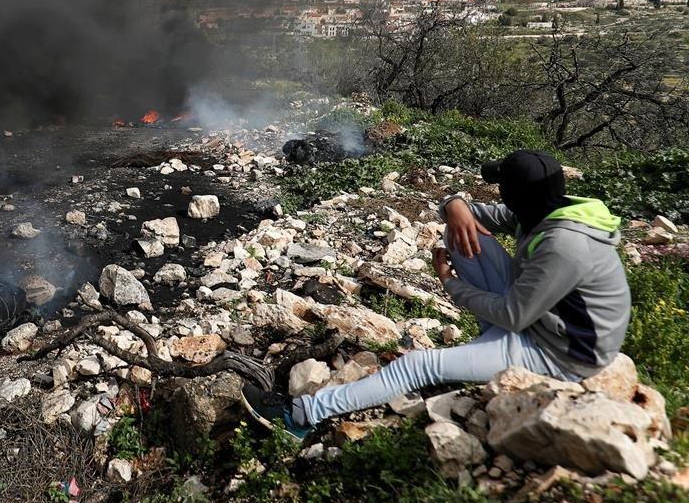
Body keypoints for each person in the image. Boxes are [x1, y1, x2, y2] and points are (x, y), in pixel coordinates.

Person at [242, 149, 631, 438]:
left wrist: (450, 284)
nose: (498, 193)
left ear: (518, 195)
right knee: (460, 233)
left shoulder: (566, 244)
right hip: (544, 321)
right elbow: (463, 211)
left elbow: (515, 316)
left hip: (563, 354)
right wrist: (455, 204)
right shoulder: (543, 210)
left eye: (502, 187)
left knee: (417, 366)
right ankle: (486, 349)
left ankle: (299, 417)